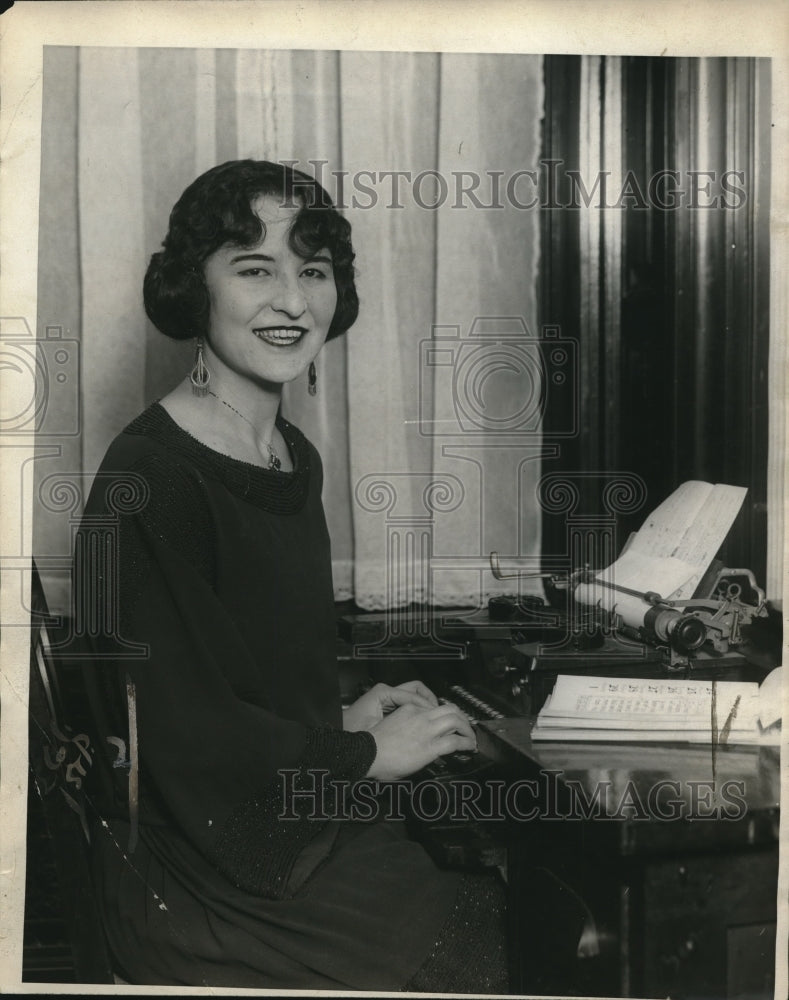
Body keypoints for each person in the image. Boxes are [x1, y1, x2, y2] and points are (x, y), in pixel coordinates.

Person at [75, 159, 508, 992]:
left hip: (275, 821)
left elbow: (236, 677)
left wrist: (338, 722)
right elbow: (177, 732)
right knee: (489, 945)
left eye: (313, 271)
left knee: (510, 906)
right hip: (202, 879)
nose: (292, 302)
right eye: (254, 270)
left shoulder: (287, 454)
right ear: (192, 289)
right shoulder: (151, 476)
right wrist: (360, 756)